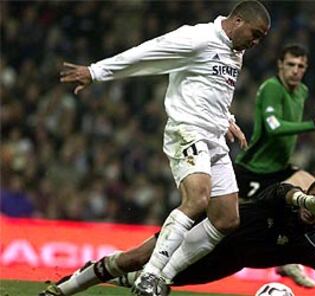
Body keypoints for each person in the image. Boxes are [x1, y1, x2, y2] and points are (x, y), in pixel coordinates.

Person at [59, 1, 270, 295]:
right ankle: (151, 274)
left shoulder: (237, 52)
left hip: (214, 137)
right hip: (187, 130)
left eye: (262, 38)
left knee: (227, 219)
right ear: (237, 21)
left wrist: (228, 120)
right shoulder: (197, 38)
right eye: (256, 33)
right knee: (197, 199)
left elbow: (215, 90)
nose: (257, 42)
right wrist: (96, 72)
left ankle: (161, 275)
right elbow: (147, 52)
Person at [39, 179, 315, 296]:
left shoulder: (312, 242)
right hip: (208, 227)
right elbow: (285, 191)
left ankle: (94, 272)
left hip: (227, 262)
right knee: (137, 259)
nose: (313, 207)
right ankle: (64, 288)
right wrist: (304, 198)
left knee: (153, 282)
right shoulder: (283, 199)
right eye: (312, 198)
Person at [234, 43, 315, 285]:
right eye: (290, 64)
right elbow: (274, 127)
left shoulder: (302, 91)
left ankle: (290, 257)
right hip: (252, 170)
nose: (295, 70)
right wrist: (313, 124)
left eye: (301, 66)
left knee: (312, 188)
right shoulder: (271, 88)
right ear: (280, 64)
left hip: (279, 169)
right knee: (224, 224)